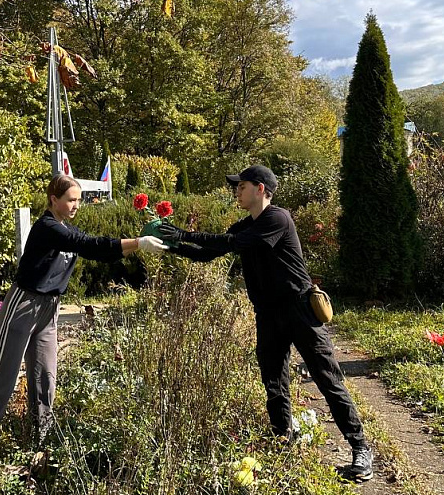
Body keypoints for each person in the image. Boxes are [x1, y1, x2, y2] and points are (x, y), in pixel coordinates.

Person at [158, 165, 373, 482]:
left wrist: (184, 234)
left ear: (260, 188)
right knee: (274, 381)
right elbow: (210, 252)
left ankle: (360, 448)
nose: (237, 191)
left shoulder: (277, 219)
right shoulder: (247, 225)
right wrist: (173, 244)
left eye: (241, 186)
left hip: (299, 310)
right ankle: (281, 440)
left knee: (327, 378)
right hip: (268, 314)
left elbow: (230, 243)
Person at [0, 174, 168, 457]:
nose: (76, 205)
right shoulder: (48, 227)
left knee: (45, 377)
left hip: (48, 309)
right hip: (23, 306)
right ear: (53, 200)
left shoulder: (63, 226)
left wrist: (136, 245)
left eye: (78, 200)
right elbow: (89, 244)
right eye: (70, 200)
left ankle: (40, 445)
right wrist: (138, 243)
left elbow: (99, 253)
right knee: (2, 380)